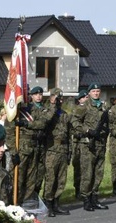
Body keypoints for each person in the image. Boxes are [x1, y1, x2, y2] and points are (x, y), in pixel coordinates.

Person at [74, 83, 110, 211]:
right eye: (93, 91)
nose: (96, 93)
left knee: (98, 173)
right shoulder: (84, 106)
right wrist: (88, 130)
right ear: (89, 93)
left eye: (98, 91)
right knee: (87, 173)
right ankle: (86, 199)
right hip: (88, 143)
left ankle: (95, 198)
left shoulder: (103, 106)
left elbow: (108, 122)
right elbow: (75, 122)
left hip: (100, 143)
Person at [14, 86, 51, 204]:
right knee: (19, 177)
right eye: (36, 94)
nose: (38, 96)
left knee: (33, 177)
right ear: (31, 96)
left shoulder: (45, 109)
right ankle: (15, 202)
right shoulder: (24, 110)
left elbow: (43, 123)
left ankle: (28, 202)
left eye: (40, 94)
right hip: (24, 147)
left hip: (38, 146)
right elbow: (10, 131)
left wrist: (26, 124)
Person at [42, 88, 72, 216]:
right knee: (51, 178)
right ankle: (48, 204)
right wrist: (53, 107)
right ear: (51, 98)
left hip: (63, 149)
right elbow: (45, 122)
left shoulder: (64, 114)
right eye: (56, 98)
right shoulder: (47, 112)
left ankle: (56, 203)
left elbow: (69, 133)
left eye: (61, 98)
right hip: (52, 149)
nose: (59, 100)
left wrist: (70, 150)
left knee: (61, 178)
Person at [71, 89, 89, 198]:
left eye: (87, 97)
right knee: (77, 165)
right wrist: (78, 132)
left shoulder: (88, 109)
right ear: (80, 99)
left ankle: (84, 189)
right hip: (77, 141)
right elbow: (72, 125)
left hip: (85, 141)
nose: (86, 99)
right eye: (84, 97)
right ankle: (77, 189)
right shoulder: (77, 110)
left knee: (85, 166)